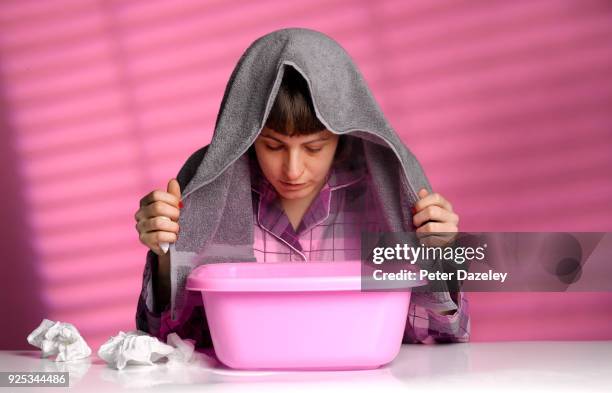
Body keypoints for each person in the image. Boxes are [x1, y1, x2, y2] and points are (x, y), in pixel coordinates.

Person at [134, 28, 469, 348]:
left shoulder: (384, 202)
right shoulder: (212, 198)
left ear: (343, 135)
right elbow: (165, 339)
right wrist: (165, 255)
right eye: (273, 146)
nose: (293, 170)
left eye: (313, 148)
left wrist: (441, 254)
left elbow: (442, 334)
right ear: (247, 139)